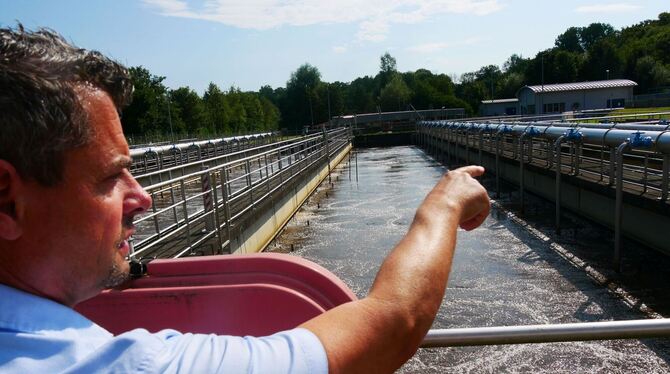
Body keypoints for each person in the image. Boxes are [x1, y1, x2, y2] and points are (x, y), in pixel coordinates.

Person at [0, 25, 490, 373]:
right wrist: (443, 205)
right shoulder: (121, 365)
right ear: (6, 199)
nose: (143, 197)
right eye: (112, 176)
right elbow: (392, 324)